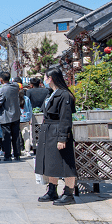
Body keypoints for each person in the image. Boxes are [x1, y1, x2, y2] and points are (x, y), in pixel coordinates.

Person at [35, 67, 79, 205]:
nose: (44, 79)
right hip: (48, 131)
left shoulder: (64, 95)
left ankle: (69, 193)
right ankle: (52, 190)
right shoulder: (51, 93)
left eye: (45, 77)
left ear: (51, 78)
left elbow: (66, 118)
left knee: (66, 164)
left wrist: (62, 138)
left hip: (57, 130)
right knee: (50, 162)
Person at [0, 70, 22, 162]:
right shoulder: (15, 86)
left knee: (6, 137)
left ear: (2, 79)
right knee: (16, 136)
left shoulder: (2, 90)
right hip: (16, 114)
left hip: (6, 116)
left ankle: (7, 155)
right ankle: (17, 154)